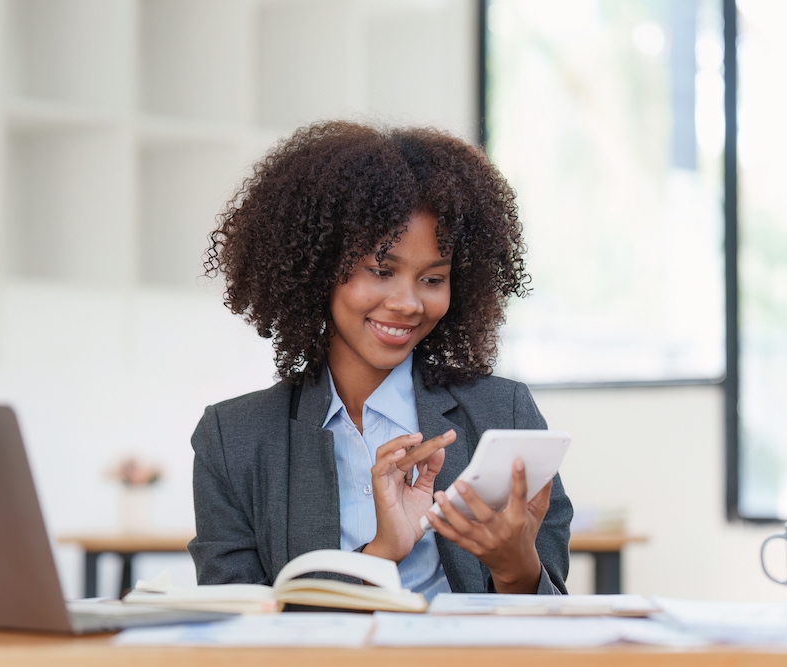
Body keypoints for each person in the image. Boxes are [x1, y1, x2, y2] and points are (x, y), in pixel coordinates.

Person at [189, 121, 571, 597]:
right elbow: (236, 629)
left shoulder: (503, 415)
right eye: (381, 270)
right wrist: (381, 553)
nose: (409, 303)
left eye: (433, 279)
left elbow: (551, 627)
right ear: (316, 267)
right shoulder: (234, 440)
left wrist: (516, 569)